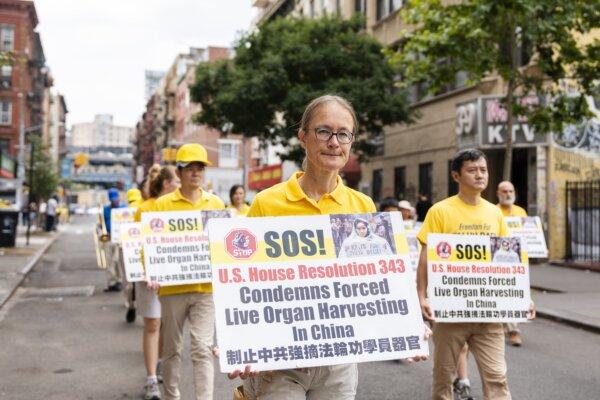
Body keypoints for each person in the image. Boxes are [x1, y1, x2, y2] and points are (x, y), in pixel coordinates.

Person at [229, 94, 427, 399]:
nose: (334, 142)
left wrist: (406, 326)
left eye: (343, 133)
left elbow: (380, 282)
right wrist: (241, 342)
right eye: (324, 131)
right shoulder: (268, 203)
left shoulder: (362, 206)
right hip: (281, 358)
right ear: (303, 137)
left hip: (339, 361)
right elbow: (243, 282)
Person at [417, 148, 536, 400]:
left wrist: (523, 297)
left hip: (489, 315)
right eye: (472, 170)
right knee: (443, 380)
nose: (480, 175)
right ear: (456, 176)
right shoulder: (440, 211)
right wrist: (421, 296)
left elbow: (508, 261)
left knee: (497, 378)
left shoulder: (494, 213)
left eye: (483, 170)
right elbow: (426, 258)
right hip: (449, 313)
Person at [151, 143, 225, 400]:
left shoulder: (214, 203)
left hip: (205, 290)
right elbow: (150, 244)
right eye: (190, 168)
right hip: (173, 289)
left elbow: (223, 244)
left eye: (200, 168)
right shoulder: (162, 205)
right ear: (179, 173)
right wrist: (152, 271)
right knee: (172, 350)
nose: (195, 173)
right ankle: (171, 396)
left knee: (203, 349)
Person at [136, 165, 179, 400]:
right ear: (166, 184)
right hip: (149, 278)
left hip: (175, 278)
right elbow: (136, 245)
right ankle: (152, 378)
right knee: (153, 324)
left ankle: (160, 362)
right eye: (177, 182)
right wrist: (146, 271)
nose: (181, 186)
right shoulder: (145, 208)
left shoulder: (179, 208)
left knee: (166, 324)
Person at [496, 180, 527, 346]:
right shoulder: (493, 212)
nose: (508, 194)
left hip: (517, 263)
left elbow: (529, 235)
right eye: (504, 191)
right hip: (498, 263)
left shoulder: (521, 212)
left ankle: (510, 328)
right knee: (504, 295)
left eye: (510, 191)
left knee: (514, 295)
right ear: (498, 193)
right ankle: (513, 331)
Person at [103, 188, 124, 292]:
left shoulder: (123, 208)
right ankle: (111, 282)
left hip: (120, 239)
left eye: (116, 199)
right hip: (108, 238)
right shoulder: (105, 210)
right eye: (112, 199)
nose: (114, 201)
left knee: (117, 261)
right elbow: (101, 224)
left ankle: (119, 281)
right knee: (109, 261)